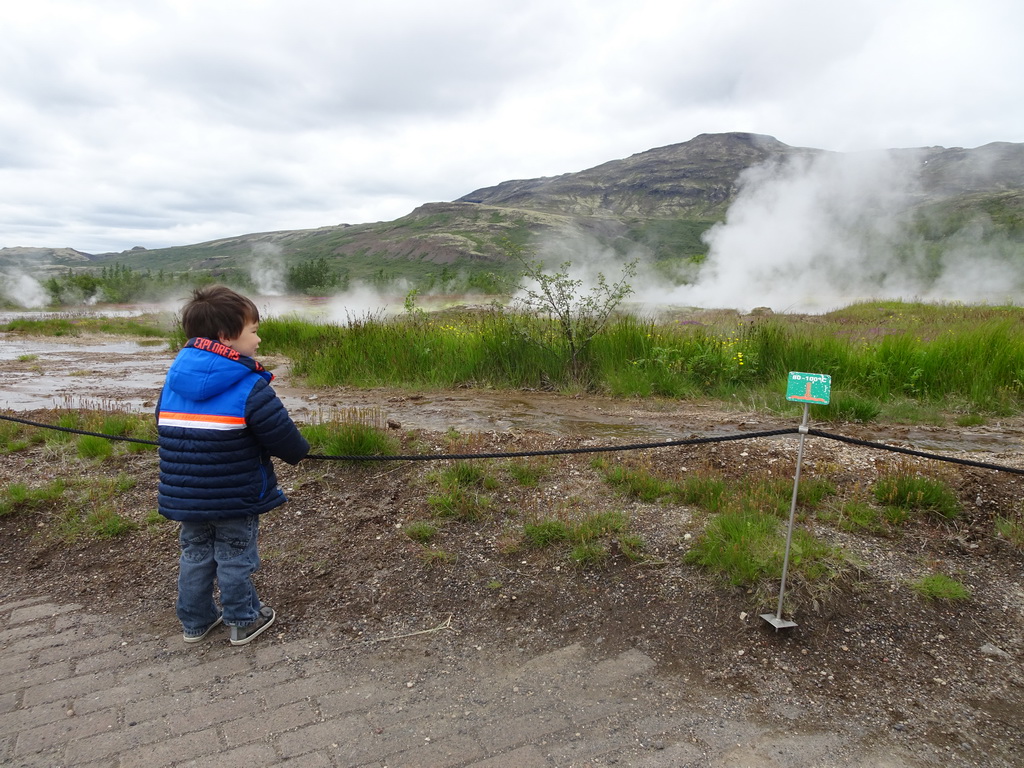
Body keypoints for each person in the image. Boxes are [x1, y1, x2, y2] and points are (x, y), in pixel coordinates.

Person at [156, 285, 309, 646]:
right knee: (235, 556)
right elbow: (282, 437)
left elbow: (161, 426)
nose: (258, 338)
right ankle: (243, 621)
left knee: (194, 554)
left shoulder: (173, 380)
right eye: (253, 330)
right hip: (235, 495)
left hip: (187, 496)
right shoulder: (249, 384)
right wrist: (301, 452)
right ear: (226, 337)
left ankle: (195, 623)